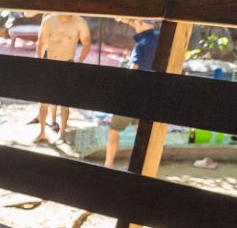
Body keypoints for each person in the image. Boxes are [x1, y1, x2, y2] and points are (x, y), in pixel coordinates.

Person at [104, 19, 160, 167]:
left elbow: (133, 68)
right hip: (148, 95)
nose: (133, 25)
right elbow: (144, 26)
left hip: (131, 96)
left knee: (114, 131)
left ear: (140, 25)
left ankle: (108, 165)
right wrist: (127, 20)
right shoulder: (158, 39)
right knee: (140, 132)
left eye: (135, 23)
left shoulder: (140, 46)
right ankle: (144, 164)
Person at [33, 14, 91, 143]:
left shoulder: (80, 22)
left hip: (67, 64)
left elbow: (87, 44)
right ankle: (42, 132)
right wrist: (39, 63)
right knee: (43, 101)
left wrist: (79, 62)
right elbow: (41, 42)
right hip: (49, 63)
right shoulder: (49, 20)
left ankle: (62, 132)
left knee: (64, 102)